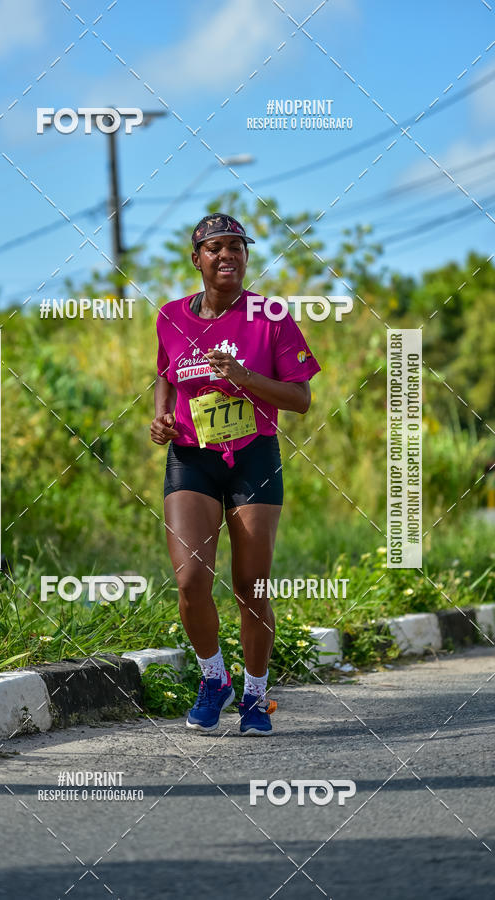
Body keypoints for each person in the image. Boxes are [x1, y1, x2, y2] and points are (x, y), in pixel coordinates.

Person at [150, 213, 320, 735]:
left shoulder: (270, 315)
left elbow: (301, 399)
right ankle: (213, 678)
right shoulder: (171, 315)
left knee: (251, 585)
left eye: (237, 248)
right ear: (196, 258)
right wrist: (160, 416)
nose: (227, 256)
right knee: (191, 580)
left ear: (247, 257)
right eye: (215, 248)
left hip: (252, 456)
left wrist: (246, 378)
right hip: (192, 456)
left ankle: (255, 695)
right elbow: (164, 373)